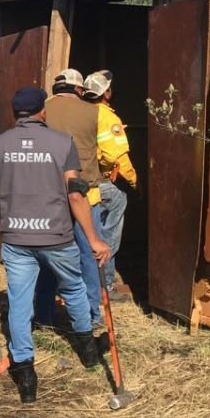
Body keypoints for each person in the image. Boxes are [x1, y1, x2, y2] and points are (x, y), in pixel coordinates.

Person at [0, 87, 111, 404]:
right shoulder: (61, 143)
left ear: (15, 114)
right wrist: (94, 238)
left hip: (16, 239)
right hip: (56, 237)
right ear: (43, 111)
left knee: (20, 302)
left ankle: (26, 376)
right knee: (74, 288)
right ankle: (89, 352)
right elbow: (75, 195)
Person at [41, 68, 107, 328]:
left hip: (50, 194)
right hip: (85, 192)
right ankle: (91, 313)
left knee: (46, 255)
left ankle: (44, 315)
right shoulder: (94, 112)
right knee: (90, 253)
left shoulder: (42, 110)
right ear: (79, 90)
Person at [83, 70, 138, 293]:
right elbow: (117, 156)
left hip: (81, 180)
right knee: (112, 221)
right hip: (101, 181)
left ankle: (94, 279)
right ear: (106, 93)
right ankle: (104, 281)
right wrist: (135, 182)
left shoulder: (81, 111)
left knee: (93, 228)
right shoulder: (107, 117)